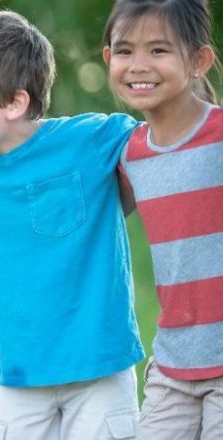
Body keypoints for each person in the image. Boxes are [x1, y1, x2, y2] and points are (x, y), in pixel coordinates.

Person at [0, 11, 145, 440]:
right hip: (18, 382)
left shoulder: (93, 141)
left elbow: (165, 153)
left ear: (15, 103)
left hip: (100, 373)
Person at [102, 1, 223, 438]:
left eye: (158, 50)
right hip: (173, 366)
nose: (139, 66)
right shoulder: (129, 154)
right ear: (107, 58)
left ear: (198, 61)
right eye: (125, 50)